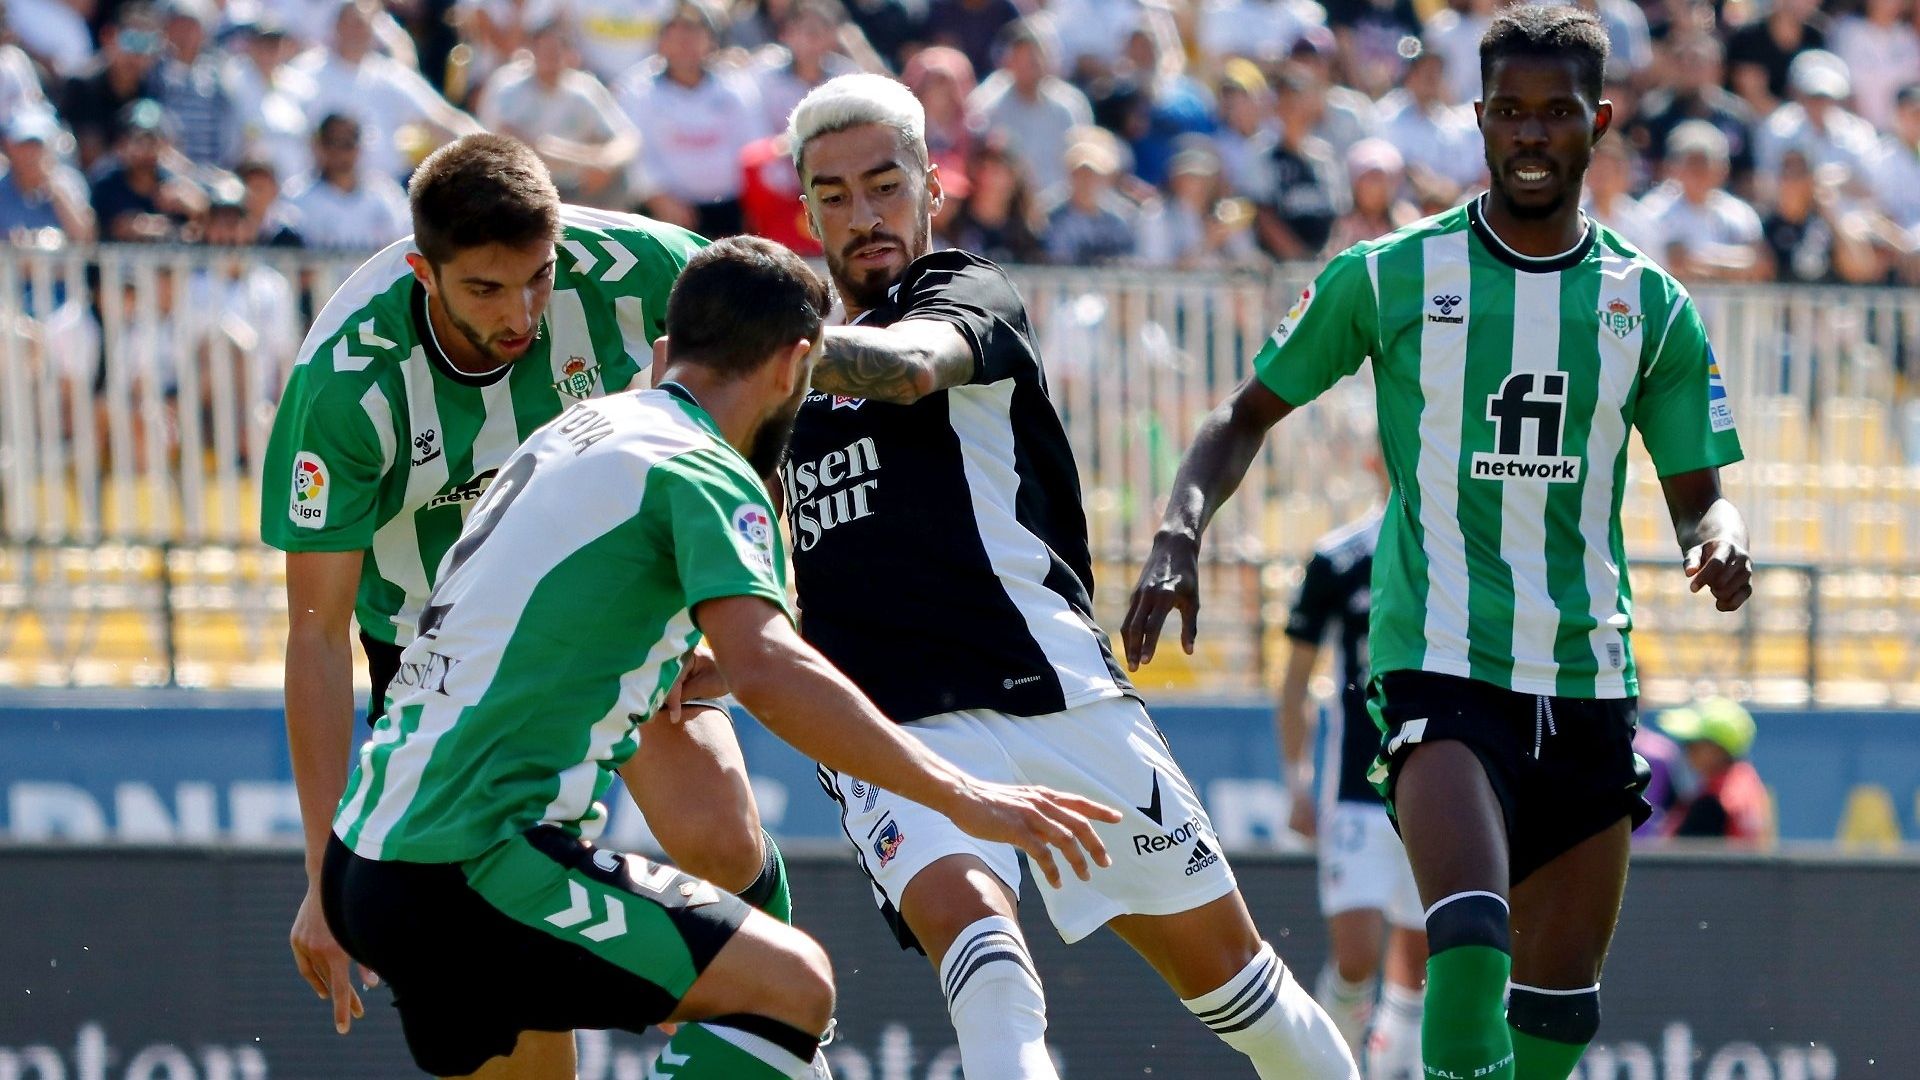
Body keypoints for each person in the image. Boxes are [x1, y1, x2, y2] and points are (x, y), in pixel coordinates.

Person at [322, 234, 1119, 1079]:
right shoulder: (701, 467)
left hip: (370, 853)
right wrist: (964, 796)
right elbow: (774, 670)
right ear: (796, 368)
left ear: (667, 352)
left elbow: (570, 619)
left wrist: (712, 659)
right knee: (792, 986)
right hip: (475, 862)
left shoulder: (583, 430)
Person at [1123, 9, 1752, 1080]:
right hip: (1441, 667)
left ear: (1597, 123)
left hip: (1590, 674)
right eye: (1510, 111)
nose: (1532, 134)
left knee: (1555, 1021)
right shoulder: (1391, 277)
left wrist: (1721, 538)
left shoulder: (1651, 306)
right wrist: (1179, 534)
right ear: (1479, 119)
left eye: (1557, 113)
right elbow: (1240, 419)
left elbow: (1701, 494)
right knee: (1462, 945)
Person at [785, 72, 1357, 1080]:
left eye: (884, 184)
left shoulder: (963, 291)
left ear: (932, 188)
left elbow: (912, 369)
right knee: (991, 968)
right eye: (833, 195)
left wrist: (758, 360)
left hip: (1053, 690)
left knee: (1248, 998)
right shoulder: (773, 382)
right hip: (894, 726)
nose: (863, 214)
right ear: (806, 210)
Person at [260, 134, 790, 1074]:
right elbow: (314, 635)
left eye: (540, 279)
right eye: (485, 291)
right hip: (441, 664)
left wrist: (745, 596)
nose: (522, 314)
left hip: (608, 612)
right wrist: (322, 876)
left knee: (722, 841)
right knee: (519, 1027)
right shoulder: (345, 383)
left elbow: (772, 388)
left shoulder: (644, 270)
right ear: (423, 271)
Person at [1278, 493, 1426, 1080]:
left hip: (1431, 786)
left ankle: (1396, 1072)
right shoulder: (1339, 559)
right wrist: (1297, 780)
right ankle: (1330, 1069)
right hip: (1356, 785)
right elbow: (1295, 680)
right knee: (1356, 958)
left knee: (1418, 965)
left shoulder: (1459, 549)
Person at [285, 113, 413, 250]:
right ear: (319, 146)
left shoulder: (386, 196)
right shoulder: (298, 200)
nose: (340, 152)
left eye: (348, 143)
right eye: (333, 142)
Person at [1658, 698, 1774, 848]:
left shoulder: (1713, 803)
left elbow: (1680, 863)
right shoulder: (1749, 783)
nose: (1687, 749)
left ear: (1718, 750)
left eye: (1694, 742)